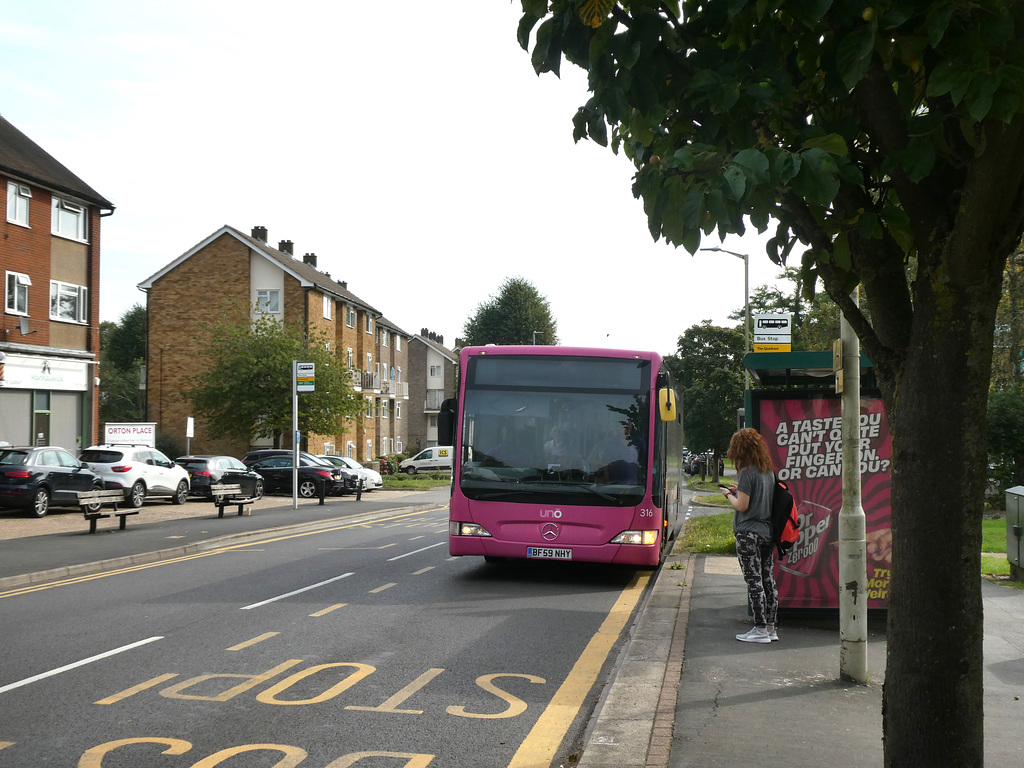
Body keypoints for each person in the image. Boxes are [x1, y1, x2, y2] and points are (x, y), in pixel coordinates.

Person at [723, 427, 779, 644]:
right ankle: (771, 628)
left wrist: (729, 495)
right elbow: (760, 500)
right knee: (767, 580)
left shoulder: (747, 472)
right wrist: (740, 490)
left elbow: (743, 506)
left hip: (748, 535)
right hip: (766, 533)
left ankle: (759, 628)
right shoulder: (767, 471)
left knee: (753, 581)